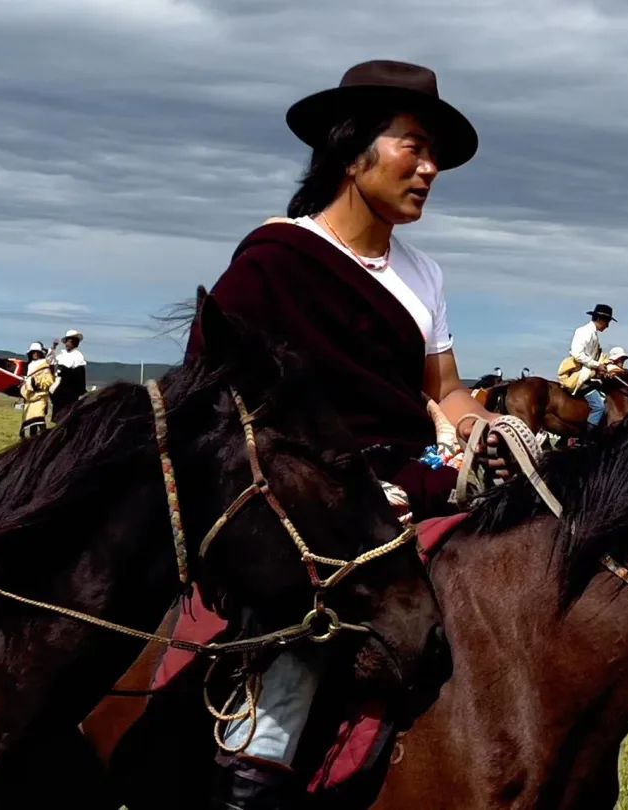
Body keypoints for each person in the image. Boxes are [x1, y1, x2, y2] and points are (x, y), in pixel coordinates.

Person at [184, 59, 506, 806]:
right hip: (310, 488)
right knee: (312, 615)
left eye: (435, 158)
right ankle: (251, 774)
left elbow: (445, 390)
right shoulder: (276, 257)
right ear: (349, 148)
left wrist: (489, 432)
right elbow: (213, 396)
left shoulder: (423, 273)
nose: (429, 170)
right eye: (414, 148)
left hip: (413, 464)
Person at [557, 304, 624, 432]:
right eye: (607, 322)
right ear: (601, 319)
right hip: (579, 375)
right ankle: (587, 438)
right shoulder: (584, 332)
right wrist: (597, 365)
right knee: (599, 407)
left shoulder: (593, 333)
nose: (608, 326)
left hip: (587, 373)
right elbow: (577, 354)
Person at [47, 328, 88, 422]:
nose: (67, 344)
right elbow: (50, 361)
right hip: (59, 390)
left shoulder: (78, 357)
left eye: (70, 341)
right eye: (67, 341)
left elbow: (79, 376)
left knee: (66, 417)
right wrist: (53, 347)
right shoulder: (62, 354)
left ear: (75, 342)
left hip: (69, 391)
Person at [19, 342, 55, 438]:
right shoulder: (30, 365)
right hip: (30, 397)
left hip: (40, 396)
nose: (35, 354)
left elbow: (49, 380)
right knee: (31, 421)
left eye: (37, 352)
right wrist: (25, 383)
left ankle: (44, 440)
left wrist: (35, 383)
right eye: (33, 352)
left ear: (40, 353)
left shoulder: (44, 364)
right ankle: (32, 440)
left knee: (39, 418)